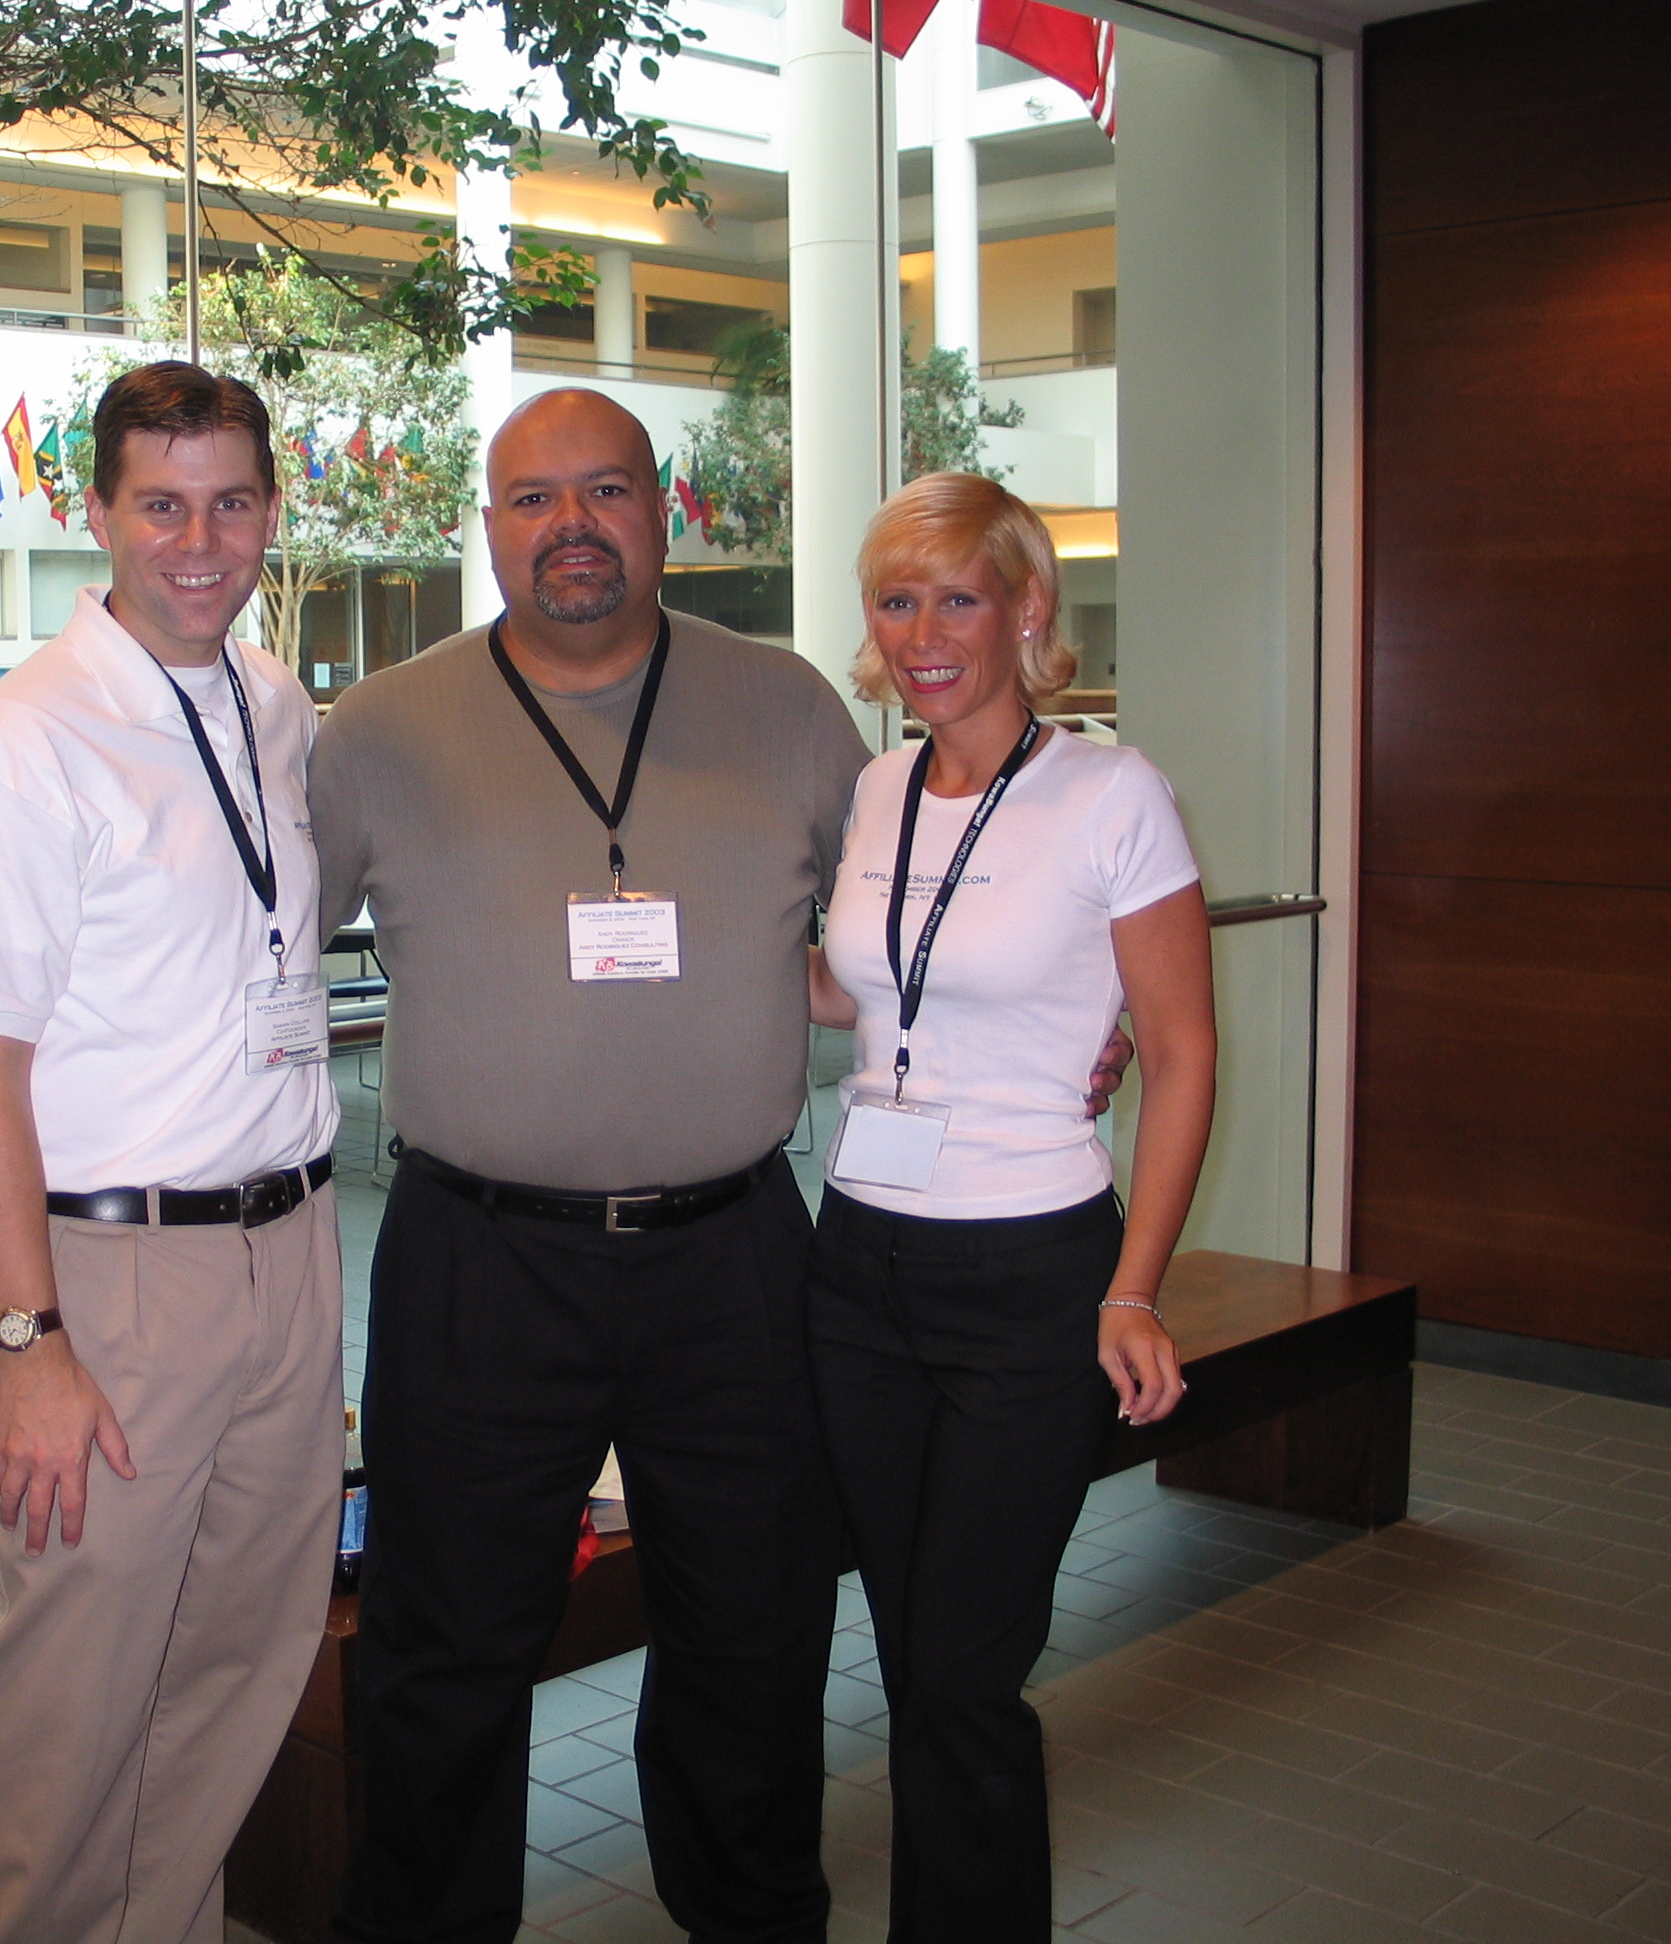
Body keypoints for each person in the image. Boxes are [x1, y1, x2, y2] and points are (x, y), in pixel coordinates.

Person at [309, 391, 1126, 1944]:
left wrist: (1108, 1003)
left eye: (603, 490)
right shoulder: (380, 732)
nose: (570, 526)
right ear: (487, 527)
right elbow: (253, 948)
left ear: (659, 511)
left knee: (750, 1641)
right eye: (532, 498)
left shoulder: (793, 711)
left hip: (737, 1262)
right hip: (479, 1262)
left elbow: (932, 906)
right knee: (444, 1652)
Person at [0, 362, 343, 1944]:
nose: (199, 539)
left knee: (236, 1663)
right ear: (95, 514)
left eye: (231, 501)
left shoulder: (271, 703)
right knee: (72, 1690)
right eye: (160, 504)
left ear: (268, 513)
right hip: (110, 1273)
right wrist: (29, 1341)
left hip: (287, 1247)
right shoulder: (30, 739)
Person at [804, 471, 1213, 1942]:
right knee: (916, 1661)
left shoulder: (1114, 796)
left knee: (967, 1670)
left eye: (957, 598)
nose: (923, 634)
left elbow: (1179, 1052)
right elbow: (853, 988)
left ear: (1027, 610)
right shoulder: (875, 788)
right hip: (857, 1266)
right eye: (896, 601)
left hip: (1033, 1271)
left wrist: (1132, 1286)